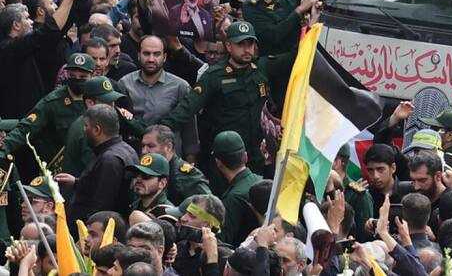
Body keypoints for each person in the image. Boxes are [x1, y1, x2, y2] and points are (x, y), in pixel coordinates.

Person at [157, 21, 298, 174]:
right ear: (229, 46)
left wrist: (312, 25)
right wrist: (160, 130)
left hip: (257, 155)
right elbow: (188, 107)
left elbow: (296, 56)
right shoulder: (214, 76)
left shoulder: (262, 67)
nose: (247, 50)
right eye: (241, 44)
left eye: (250, 44)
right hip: (226, 159)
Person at [63, 104, 138, 223]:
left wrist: (88, 233)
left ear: (97, 130)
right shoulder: (127, 150)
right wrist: (77, 182)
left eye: (86, 125)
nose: (83, 130)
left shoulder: (110, 160)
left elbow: (101, 206)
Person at [210, 131, 262, 244]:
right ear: (245, 157)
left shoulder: (232, 198)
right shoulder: (262, 180)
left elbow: (223, 241)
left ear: (218, 162)